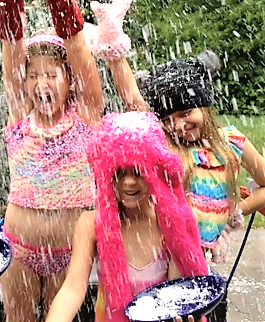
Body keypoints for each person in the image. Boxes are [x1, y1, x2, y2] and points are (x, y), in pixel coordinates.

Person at [0, 0, 104, 321]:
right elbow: (12, 57)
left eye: (51, 73)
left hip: (68, 249)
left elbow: (84, 64)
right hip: (19, 244)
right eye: (34, 75)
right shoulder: (21, 116)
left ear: (69, 82)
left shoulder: (85, 116)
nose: (40, 82)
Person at [136, 52, 265, 322]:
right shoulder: (165, 146)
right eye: (169, 119)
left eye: (186, 113)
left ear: (205, 106)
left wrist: (235, 210)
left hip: (201, 259)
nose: (179, 125)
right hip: (160, 257)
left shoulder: (232, 141)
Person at [45, 111, 209, 322]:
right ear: (104, 176)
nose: (128, 182)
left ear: (155, 172)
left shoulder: (170, 223)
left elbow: (177, 293)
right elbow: (72, 290)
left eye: (138, 171)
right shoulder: (91, 225)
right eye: (118, 173)